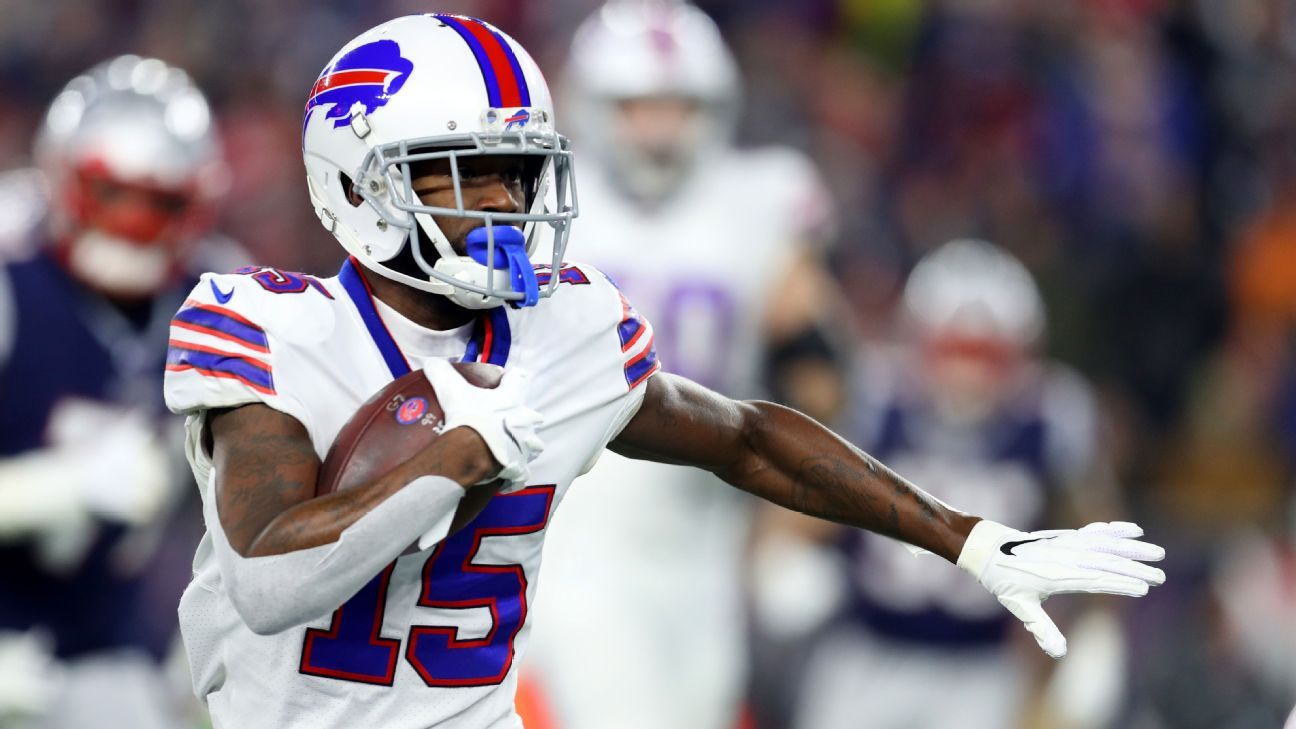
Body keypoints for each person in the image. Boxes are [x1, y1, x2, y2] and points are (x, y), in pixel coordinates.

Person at [162, 15, 1166, 729]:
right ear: (357, 181)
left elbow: (743, 435)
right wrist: (464, 450)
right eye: (466, 178)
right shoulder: (267, 327)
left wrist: (968, 539)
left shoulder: (565, 329)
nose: (508, 206)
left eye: (518, 173)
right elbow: (270, 577)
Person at [522, 4, 841, 728]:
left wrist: (799, 511)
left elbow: (817, 372)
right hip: (583, 515)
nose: (658, 130)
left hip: (708, 524)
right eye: (637, 107)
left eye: (677, 108)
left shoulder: (761, 200)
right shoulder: (538, 198)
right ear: (594, 106)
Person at [757, 239, 1125, 729]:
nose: (967, 373)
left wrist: (1100, 631)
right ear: (917, 340)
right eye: (953, 349)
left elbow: (1095, 533)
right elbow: (802, 504)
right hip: (867, 653)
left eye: (985, 354)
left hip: (981, 669)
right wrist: (785, 554)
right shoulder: (876, 402)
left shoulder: (1050, 420)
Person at [0, 55, 233, 729]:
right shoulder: (12, 273)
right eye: (113, 196)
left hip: (102, 635)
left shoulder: (217, 294)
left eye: (158, 202)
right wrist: (61, 487)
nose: (132, 225)